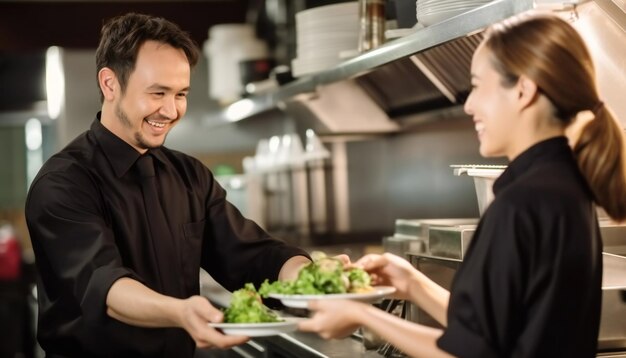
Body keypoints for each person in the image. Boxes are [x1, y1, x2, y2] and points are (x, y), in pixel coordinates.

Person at [299, 12, 626, 358]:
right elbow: (495, 334)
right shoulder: (563, 188)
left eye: (476, 85)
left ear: (522, 91)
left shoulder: (521, 203)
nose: (469, 105)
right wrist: (412, 285)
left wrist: (360, 313)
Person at [25, 13, 312, 357]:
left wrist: (319, 279)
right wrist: (182, 311)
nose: (172, 110)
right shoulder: (63, 183)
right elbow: (105, 287)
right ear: (110, 84)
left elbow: (252, 255)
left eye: (180, 94)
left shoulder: (189, 176)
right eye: (158, 92)